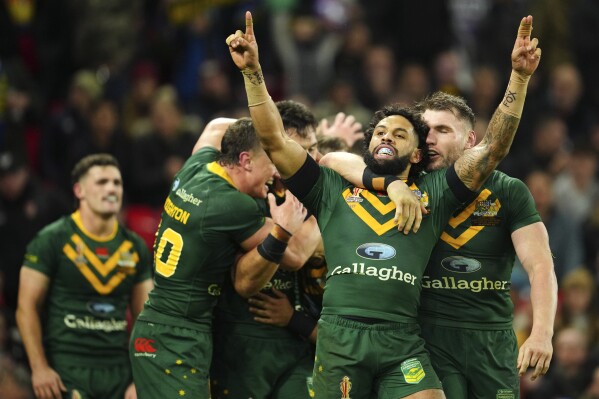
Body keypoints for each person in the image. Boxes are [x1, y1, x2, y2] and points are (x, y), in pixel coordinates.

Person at [226, 11, 540, 399]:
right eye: (379, 132)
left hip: (402, 341)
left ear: (415, 154)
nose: (386, 136)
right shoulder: (329, 187)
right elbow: (274, 139)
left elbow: (492, 150)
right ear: (369, 145)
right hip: (340, 339)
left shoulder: (436, 193)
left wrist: (519, 78)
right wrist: (253, 72)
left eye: (400, 133)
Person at [128, 117, 321, 399]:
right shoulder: (233, 205)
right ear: (245, 160)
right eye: (272, 161)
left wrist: (273, 128)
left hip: (164, 325)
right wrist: (318, 203)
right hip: (177, 334)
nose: (277, 172)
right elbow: (294, 255)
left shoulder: (197, 167)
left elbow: (216, 126)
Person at [210, 100, 325, 399]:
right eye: (304, 150)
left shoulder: (314, 195)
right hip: (242, 345)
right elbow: (246, 282)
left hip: (297, 344)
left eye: (316, 148)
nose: (315, 159)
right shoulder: (247, 197)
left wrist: (294, 320)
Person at [15, 153, 154, 399]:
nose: (112, 188)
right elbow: (26, 307)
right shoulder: (52, 239)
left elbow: (147, 318)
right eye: (101, 182)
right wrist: (39, 368)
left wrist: (141, 378)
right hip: (67, 369)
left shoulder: (135, 247)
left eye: (117, 183)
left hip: (119, 372)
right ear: (79, 190)